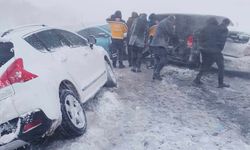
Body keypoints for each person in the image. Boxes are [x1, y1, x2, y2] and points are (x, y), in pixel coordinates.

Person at [193, 18, 230, 88]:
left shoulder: (207, 28)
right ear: (227, 24)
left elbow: (197, 35)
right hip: (215, 51)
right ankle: (220, 83)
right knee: (221, 66)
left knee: (205, 65)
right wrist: (219, 49)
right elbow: (222, 41)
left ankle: (197, 79)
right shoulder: (223, 29)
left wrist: (201, 46)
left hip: (205, 49)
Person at [150, 15, 176, 80]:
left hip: (154, 43)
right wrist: (174, 28)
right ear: (172, 19)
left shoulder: (163, 21)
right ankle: (157, 72)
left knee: (157, 59)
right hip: (160, 44)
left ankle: (155, 75)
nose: (174, 22)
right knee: (164, 59)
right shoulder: (168, 22)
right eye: (174, 21)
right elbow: (171, 33)